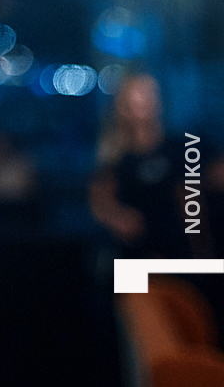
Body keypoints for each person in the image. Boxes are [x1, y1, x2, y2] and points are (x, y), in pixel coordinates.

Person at [89, 71, 224, 255]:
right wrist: (115, 217)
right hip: (144, 260)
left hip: (193, 257)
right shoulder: (116, 162)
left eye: (151, 92)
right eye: (139, 93)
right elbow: (102, 203)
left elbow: (216, 174)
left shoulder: (187, 146)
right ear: (122, 105)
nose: (147, 99)